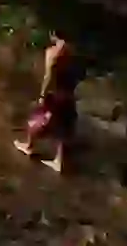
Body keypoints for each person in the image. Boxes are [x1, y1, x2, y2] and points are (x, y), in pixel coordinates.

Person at [14, 31, 81, 172]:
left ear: (53, 34)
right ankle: (59, 160)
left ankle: (29, 146)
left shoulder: (52, 52)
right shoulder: (72, 52)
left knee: (38, 117)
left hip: (55, 93)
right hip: (68, 93)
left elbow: (48, 76)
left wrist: (42, 95)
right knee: (64, 125)